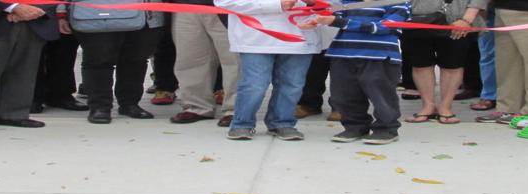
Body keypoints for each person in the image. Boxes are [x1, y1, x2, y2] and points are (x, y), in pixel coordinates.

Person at [298, 0, 413, 146]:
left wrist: (342, 22)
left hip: (379, 55)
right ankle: (355, 127)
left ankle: (386, 129)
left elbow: (384, 27)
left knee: (381, 95)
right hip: (343, 53)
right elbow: (334, 17)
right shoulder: (347, 2)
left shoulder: (398, 2)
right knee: (343, 95)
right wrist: (317, 20)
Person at [215, 0, 320, 141]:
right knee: (254, 85)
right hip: (255, 36)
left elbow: (331, 3)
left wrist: (314, 8)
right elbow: (224, 2)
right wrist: (277, 5)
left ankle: (282, 123)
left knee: (292, 85)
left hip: (301, 35)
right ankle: (242, 123)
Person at [0, 0, 60, 134]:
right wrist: (13, 7)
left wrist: (32, 11)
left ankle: (14, 114)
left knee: (24, 70)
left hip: (33, 21)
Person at [63, 1, 165, 124]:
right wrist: (61, 12)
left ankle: (130, 103)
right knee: (98, 60)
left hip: (147, 15)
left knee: (135, 60)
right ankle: (100, 106)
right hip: (94, 13)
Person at [402, 0, 486, 125]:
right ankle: (427, 106)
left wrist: (467, 19)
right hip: (415, 19)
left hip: (458, 20)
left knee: (453, 65)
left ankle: (445, 107)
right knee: (421, 65)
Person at [170, 0, 241, 127]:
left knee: (234, 61)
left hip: (228, 7)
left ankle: (236, 109)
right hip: (186, 6)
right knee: (190, 59)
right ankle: (196, 106)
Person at [32, 24, 85, 113]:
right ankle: (33, 97)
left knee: (65, 47)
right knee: (34, 50)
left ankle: (60, 94)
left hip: (65, 14)